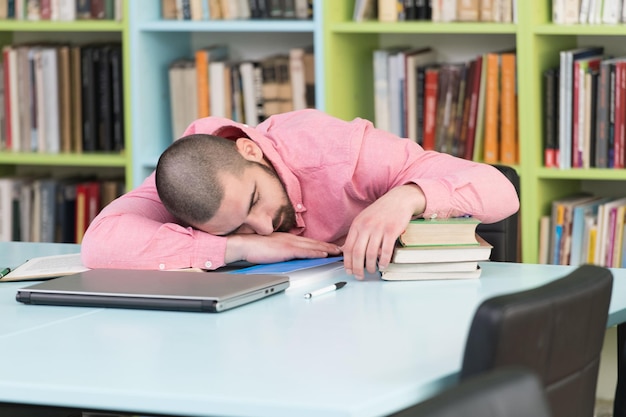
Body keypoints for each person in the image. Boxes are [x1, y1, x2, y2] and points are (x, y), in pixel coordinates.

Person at [81, 109, 519, 279]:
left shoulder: (336, 150)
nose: (265, 226)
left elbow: (500, 190)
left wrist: (405, 197)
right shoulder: (186, 180)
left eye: (255, 202)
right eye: (237, 224)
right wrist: (242, 247)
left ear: (249, 151)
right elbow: (101, 243)